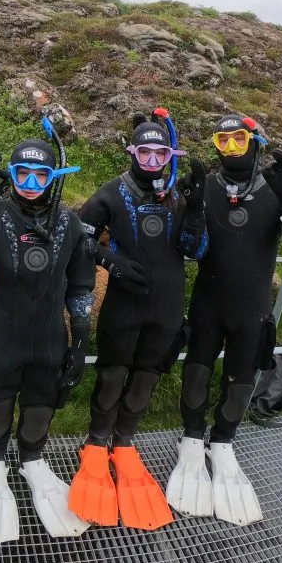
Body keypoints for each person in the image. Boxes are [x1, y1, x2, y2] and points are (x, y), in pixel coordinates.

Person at [167, 115, 282, 525]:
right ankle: (192, 437)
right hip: (207, 305)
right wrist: (191, 206)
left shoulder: (275, 187)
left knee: (241, 379)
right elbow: (185, 244)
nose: (231, 148)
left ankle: (224, 442)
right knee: (196, 373)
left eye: (239, 140)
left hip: (250, 310)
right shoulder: (209, 187)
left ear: (254, 141)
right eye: (223, 140)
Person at [0, 136, 95, 544]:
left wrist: (80, 343)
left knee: (41, 401)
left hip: (49, 337)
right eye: (21, 173)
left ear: (54, 177)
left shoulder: (71, 223)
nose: (30, 181)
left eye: (40, 174)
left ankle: (33, 459)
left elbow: (81, 287)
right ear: (11, 174)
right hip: (2, 335)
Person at [70, 111, 207, 532]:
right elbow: (80, 235)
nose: (151, 160)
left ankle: (124, 441)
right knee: (113, 373)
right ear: (131, 151)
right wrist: (112, 262)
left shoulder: (180, 196)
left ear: (170, 155)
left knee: (147, 374)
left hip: (166, 305)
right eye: (143, 152)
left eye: (159, 153)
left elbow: (195, 249)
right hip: (124, 304)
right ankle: (96, 440)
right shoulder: (111, 194)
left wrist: (197, 209)